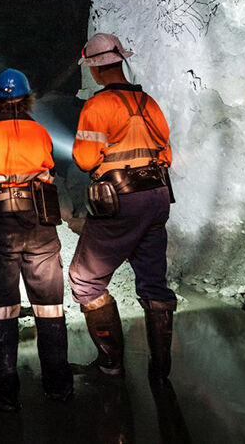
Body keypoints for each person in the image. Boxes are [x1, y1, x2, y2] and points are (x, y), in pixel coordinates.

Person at [69, 33, 177, 380]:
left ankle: (111, 364)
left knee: (85, 279)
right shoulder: (149, 103)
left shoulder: (97, 106)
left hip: (121, 199)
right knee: (154, 284)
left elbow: (86, 160)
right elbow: (167, 155)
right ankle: (160, 373)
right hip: (158, 196)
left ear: (96, 70)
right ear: (121, 61)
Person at [0, 68, 73, 411]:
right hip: (39, 223)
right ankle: (58, 388)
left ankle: (4, 395)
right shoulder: (41, 132)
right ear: (27, 97)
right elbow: (49, 170)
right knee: (50, 307)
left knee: (1, 308)